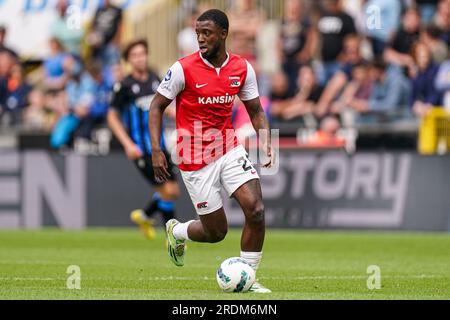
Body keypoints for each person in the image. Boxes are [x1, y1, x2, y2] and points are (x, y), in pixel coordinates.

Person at [149, 9, 273, 293]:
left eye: (207, 34)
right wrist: (156, 150)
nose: (201, 40)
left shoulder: (242, 68)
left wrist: (265, 139)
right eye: (198, 34)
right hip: (193, 156)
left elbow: (255, 110)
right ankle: (177, 231)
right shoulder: (183, 68)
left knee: (256, 210)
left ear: (223, 34)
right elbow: (156, 106)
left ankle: (249, 276)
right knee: (216, 232)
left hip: (227, 147)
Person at [107, 39, 180, 240]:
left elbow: (157, 108)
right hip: (140, 148)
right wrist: (128, 144)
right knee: (168, 189)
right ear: (129, 60)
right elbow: (112, 116)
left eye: (142, 54)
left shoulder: (156, 79)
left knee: (172, 191)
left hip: (160, 145)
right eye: (135, 55)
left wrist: (170, 112)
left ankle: (145, 215)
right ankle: (172, 237)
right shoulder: (124, 86)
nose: (140, 58)